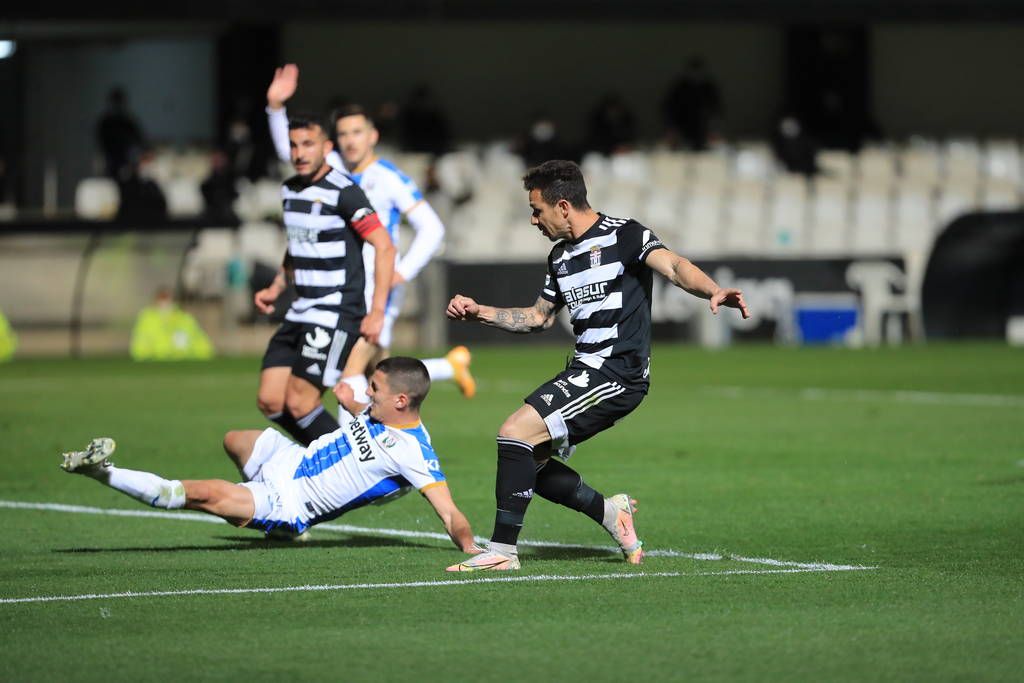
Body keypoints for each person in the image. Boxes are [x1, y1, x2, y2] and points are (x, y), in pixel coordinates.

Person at [444, 160, 750, 572]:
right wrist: (480, 312)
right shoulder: (560, 257)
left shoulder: (626, 235)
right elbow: (537, 318)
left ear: (564, 206)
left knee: (514, 432)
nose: (534, 220)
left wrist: (713, 290)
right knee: (527, 460)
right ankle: (611, 513)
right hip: (585, 369)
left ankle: (502, 552)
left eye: (537, 210)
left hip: (618, 373)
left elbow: (675, 266)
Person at [60, 357, 482, 553]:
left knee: (201, 493)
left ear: (402, 401)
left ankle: (100, 471)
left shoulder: (415, 453)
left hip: (291, 502)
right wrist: (351, 400)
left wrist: (473, 550)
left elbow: (448, 512)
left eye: (375, 388)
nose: (368, 393)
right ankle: (272, 523)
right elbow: (362, 413)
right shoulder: (378, 412)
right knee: (235, 439)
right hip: (289, 459)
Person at [265, 64, 476, 402]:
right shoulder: (331, 168)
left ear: (373, 136)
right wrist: (275, 109)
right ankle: (447, 368)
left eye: (357, 133)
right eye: (344, 134)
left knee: (351, 376)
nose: (350, 141)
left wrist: (401, 273)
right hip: (346, 286)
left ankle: (355, 449)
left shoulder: (388, 177)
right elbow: (288, 150)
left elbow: (432, 229)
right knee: (377, 373)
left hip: (377, 287)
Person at [253, 112, 395, 447]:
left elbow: (384, 246)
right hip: (300, 309)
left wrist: (376, 313)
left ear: (326, 147)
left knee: (301, 402)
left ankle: (354, 464)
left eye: (308, 144)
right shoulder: (290, 190)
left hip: (335, 311)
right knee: (271, 401)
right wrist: (277, 285)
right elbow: (298, 242)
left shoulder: (344, 191)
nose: (299, 153)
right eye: (293, 145)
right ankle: (322, 460)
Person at [130, 287, 214, 361]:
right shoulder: (147, 318)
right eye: (162, 298)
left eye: (167, 298)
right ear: (155, 300)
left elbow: (203, 345)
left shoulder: (185, 319)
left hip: (183, 363)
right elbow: (139, 347)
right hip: (154, 363)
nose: (164, 303)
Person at [662, 56, 723, 151]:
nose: (696, 75)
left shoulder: (708, 88)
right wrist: (671, 129)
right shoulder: (680, 88)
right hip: (682, 130)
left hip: (704, 130)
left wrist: (715, 129)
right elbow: (669, 109)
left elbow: (716, 110)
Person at [96, 87, 144, 179]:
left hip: (127, 163)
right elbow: (101, 143)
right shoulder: (106, 122)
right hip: (112, 162)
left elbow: (139, 140)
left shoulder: (127, 121)